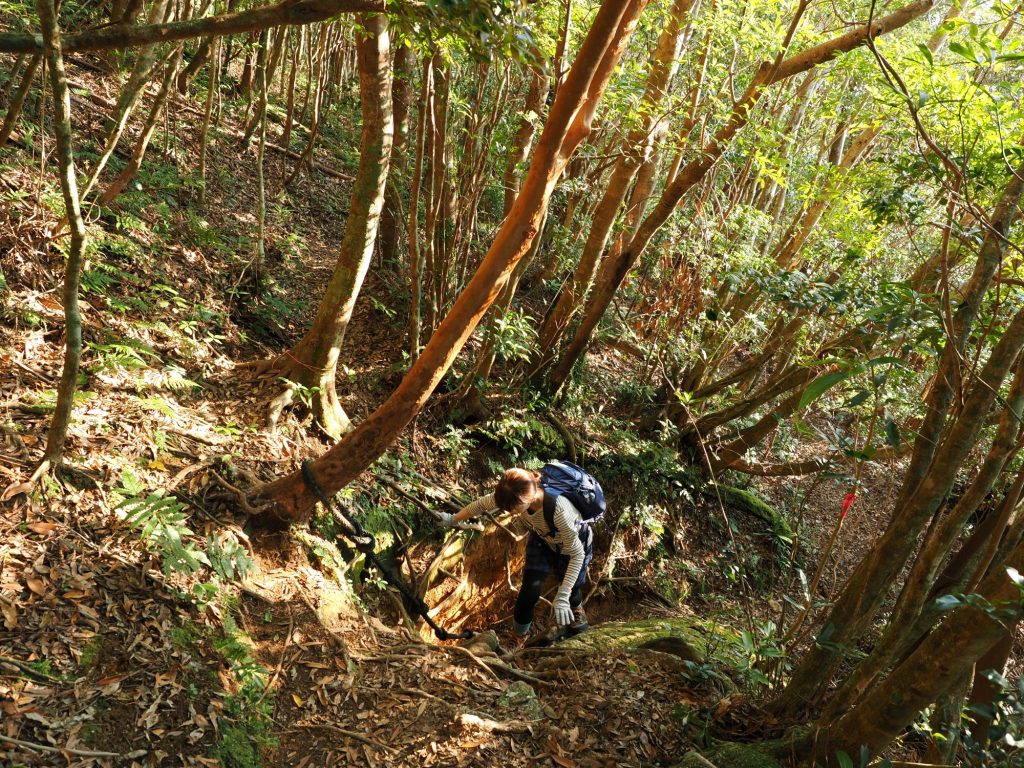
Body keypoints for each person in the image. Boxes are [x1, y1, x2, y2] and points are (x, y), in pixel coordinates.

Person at [438, 465, 594, 645]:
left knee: (572, 586)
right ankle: (519, 638)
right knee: (529, 590)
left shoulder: (559, 512)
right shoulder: (511, 493)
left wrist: (563, 595)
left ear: (527, 499)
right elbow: (481, 505)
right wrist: (453, 519)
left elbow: (577, 554)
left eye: (513, 509)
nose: (509, 512)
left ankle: (576, 610)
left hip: (573, 546)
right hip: (543, 540)